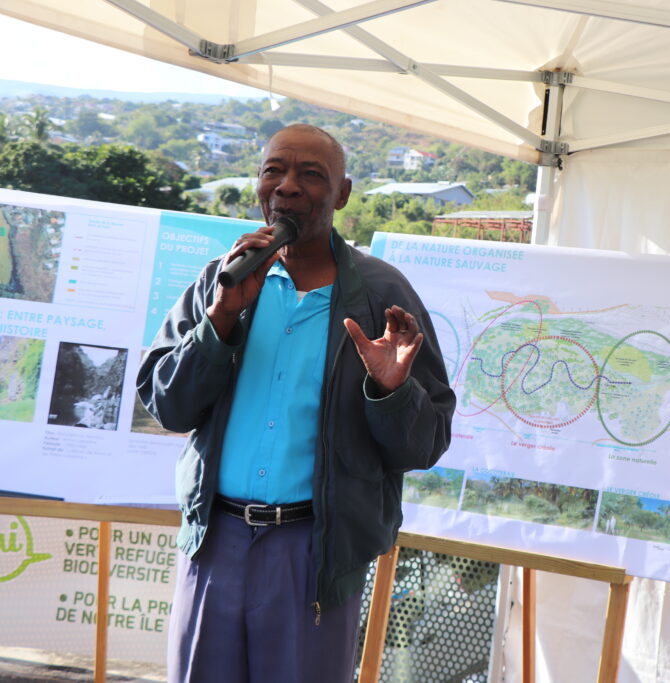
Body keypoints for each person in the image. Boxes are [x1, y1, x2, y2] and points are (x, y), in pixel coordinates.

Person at [137, 123, 455, 682]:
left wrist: (391, 390)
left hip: (315, 554)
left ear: (343, 194)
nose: (286, 187)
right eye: (273, 171)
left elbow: (424, 445)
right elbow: (169, 406)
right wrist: (222, 318)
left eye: (311, 175)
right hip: (215, 542)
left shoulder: (383, 295)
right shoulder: (222, 279)